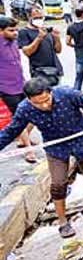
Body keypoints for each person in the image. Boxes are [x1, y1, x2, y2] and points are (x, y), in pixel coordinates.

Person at [0, 78, 83, 238]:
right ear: (29, 100)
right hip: (56, 148)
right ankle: (63, 222)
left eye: (46, 100)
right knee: (58, 184)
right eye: (38, 103)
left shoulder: (68, 94)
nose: (44, 105)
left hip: (81, 140)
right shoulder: (25, 109)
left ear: (51, 92)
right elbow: (11, 130)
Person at [0, 17, 35, 162]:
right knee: (19, 117)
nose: (15, 33)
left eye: (16, 29)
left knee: (33, 111)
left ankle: (23, 137)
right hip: (6, 88)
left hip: (21, 84)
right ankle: (28, 150)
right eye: (11, 30)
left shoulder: (14, 43)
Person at [18, 8, 63, 87]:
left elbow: (58, 50)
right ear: (29, 17)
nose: (39, 20)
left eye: (41, 17)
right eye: (36, 18)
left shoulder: (46, 30)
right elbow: (27, 52)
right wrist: (39, 38)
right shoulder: (24, 32)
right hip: (40, 73)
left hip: (55, 70)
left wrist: (57, 38)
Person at [67, 8, 83, 93]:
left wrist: (75, 46)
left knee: (79, 77)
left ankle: (75, 93)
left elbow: (67, 42)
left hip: (79, 54)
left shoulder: (70, 27)